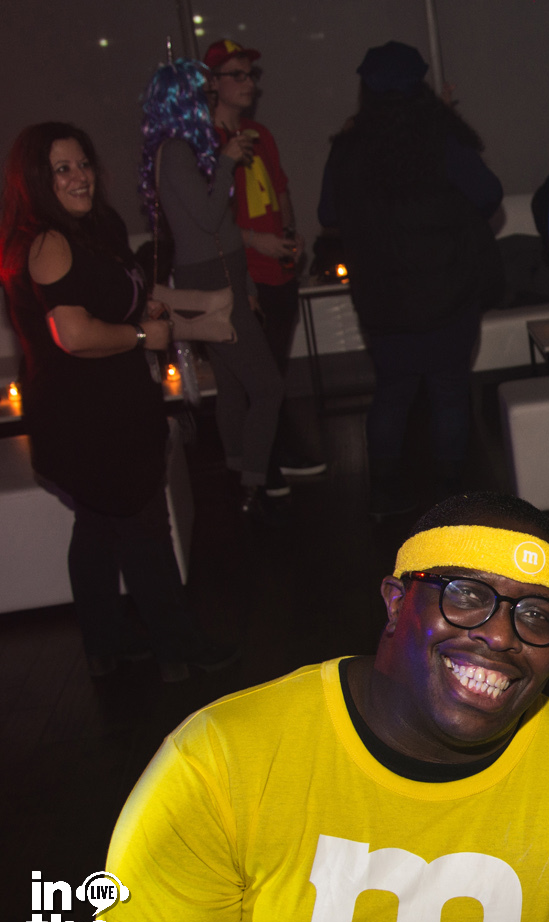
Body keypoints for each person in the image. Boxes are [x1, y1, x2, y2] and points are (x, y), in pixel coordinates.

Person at [104, 491, 549, 922]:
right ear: (397, 602)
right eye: (466, 595)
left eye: (537, 616)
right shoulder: (219, 759)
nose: (501, 635)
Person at [0, 123, 236, 682]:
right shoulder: (48, 243)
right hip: (89, 424)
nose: (79, 176)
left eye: (83, 163)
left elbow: (116, 294)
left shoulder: (92, 227)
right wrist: (142, 336)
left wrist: (150, 311)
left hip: (107, 412)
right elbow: (74, 335)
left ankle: (105, 642)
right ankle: (179, 649)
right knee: (143, 529)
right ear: (35, 180)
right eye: (62, 169)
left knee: (97, 528)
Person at [318, 42, 503, 516]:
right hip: (448, 294)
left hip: (382, 299)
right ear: (419, 86)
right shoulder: (442, 139)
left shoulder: (348, 148)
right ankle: (449, 496)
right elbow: (488, 194)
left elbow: (327, 214)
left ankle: (382, 496)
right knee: (449, 392)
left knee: (392, 392)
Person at [141, 59, 287, 524]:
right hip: (210, 278)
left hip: (221, 275)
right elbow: (207, 220)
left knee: (233, 387)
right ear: (182, 101)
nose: (210, 102)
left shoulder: (184, 149)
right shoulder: (176, 151)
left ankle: (240, 476)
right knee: (268, 388)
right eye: (202, 95)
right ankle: (252, 484)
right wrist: (226, 162)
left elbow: (220, 226)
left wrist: (246, 283)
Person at [205, 37, 326, 491]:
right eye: (236, 75)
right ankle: (259, 464)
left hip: (278, 271)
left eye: (250, 74)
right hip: (242, 276)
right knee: (253, 379)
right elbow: (206, 221)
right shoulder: (205, 144)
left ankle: (279, 448)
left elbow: (280, 190)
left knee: (272, 371)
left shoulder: (261, 134)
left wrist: (290, 235)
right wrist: (259, 241)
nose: (248, 83)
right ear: (213, 84)